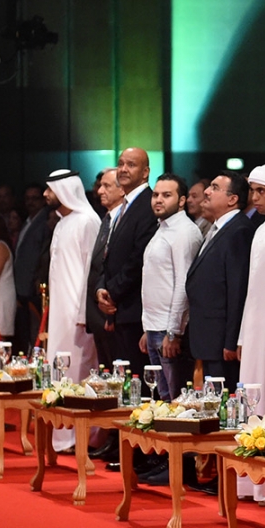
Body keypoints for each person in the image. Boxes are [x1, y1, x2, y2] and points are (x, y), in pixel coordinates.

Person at [232, 164, 265, 503]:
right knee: (250, 397)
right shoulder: (262, 228)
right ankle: (250, 480)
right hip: (253, 327)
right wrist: (242, 335)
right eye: (252, 191)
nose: (254, 198)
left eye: (261, 191)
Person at [44, 170, 101, 451]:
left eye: (50, 189)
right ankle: (63, 436)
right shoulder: (62, 223)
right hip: (60, 313)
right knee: (60, 369)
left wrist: (83, 313)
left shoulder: (88, 221)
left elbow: (92, 271)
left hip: (79, 314)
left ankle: (84, 438)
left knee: (80, 370)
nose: (45, 194)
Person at [185, 172, 257, 387]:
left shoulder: (239, 230)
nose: (207, 191)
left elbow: (237, 289)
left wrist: (231, 340)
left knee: (222, 405)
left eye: (215, 188)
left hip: (221, 341)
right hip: (208, 337)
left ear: (232, 199)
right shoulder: (217, 228)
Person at [138, 174, 202, 401]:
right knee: (162, 399)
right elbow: (154, 281)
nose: (158, 200)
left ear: (182, 200)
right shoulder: (162, 228)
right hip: (155, 326)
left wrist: (174, 332)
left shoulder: (184, 231)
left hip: (171, 330)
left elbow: (184, 284)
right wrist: (148, 328)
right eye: (156, 195)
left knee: (175, 402)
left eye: (166, 195)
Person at [95, 147, 159, 370]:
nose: (123, 169)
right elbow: (109, 254)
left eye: (131, 165)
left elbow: (138, 259)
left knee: (136, 383)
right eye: (121, 163)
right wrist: (101, 289)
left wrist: (112, 292)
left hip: (135, 310)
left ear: (145, 172)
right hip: (119, 308)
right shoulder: (123, 206)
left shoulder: (149, 204)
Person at [84, 170, 125, 368]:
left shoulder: (122, 221)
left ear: (122, 190)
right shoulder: (106, 219)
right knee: (105, 369)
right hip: (98, 309)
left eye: (107, 186)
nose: (100, 191)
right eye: (100, 185)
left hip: (113, 309)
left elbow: (115, 264)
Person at [13, 182, 51, 353]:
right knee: (26, 330)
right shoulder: (27, 220)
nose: (30, 202)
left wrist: (38, 279)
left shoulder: (46, 221)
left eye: (35, 198)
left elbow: (42, 255)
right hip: (22, 285)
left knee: (36, 330)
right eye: (27, 199)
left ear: (43, 200)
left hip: (34, 286)